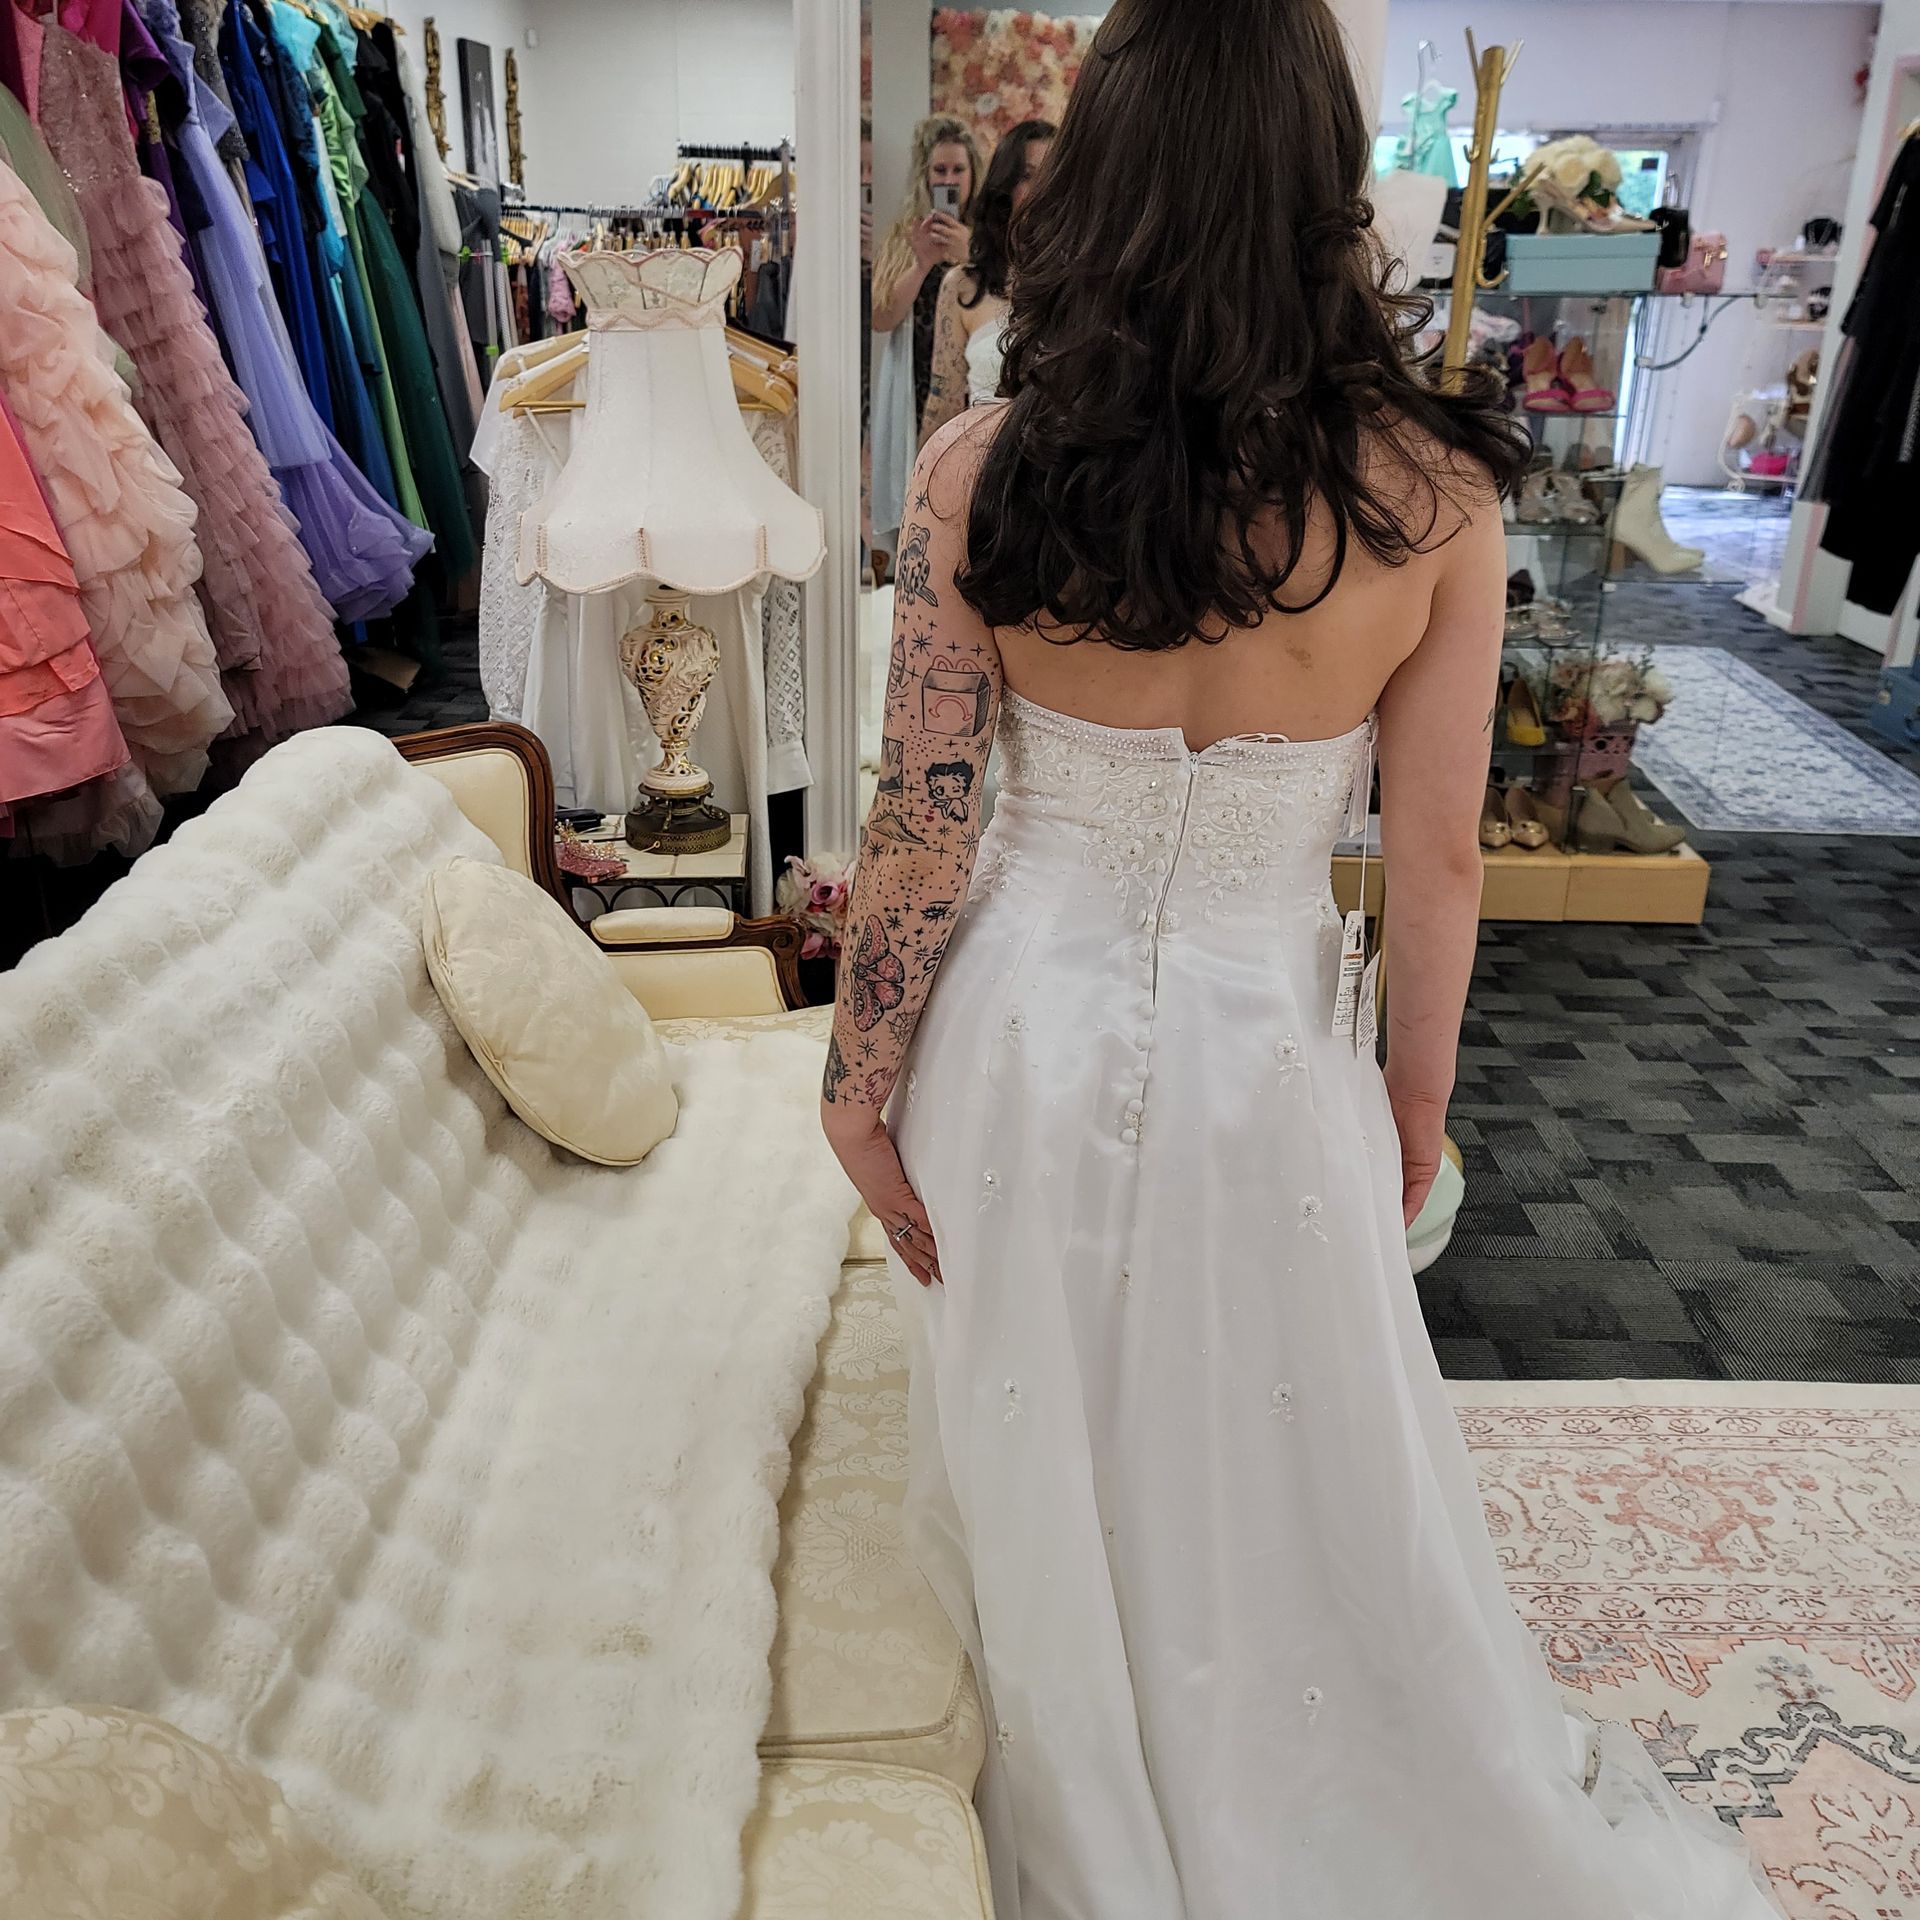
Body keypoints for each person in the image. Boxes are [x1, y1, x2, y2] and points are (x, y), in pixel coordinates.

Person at [820, 4, 1787, 1919]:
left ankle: (1081, 1784)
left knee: (1057, 1426)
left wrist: (855, 1092)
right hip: (1272, 1051)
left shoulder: (975, 471)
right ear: (1325, 186)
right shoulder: (1434, 496)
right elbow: (1433, 852)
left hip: (1014, 1030)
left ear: (1103, 172)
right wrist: (1411, 1097)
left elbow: (919, 824)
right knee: (1267, 1442)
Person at [869, 114, 981, 555]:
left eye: (958, 170)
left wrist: (969, 253)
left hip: (972, 387)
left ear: (975, 172)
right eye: (940, 171)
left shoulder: (989, 237)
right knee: (918, 496)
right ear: (926, 174)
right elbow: (881, 318)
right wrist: (921, 264)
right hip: (915, 387)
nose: (949, 179)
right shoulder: (904, 234)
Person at [920, 118, 1055, 446]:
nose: (1043, 188)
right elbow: (942, 409)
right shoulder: (963, 285)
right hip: (979, 470)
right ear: (1005, 188)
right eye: (1027, 176)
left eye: (1053, 173)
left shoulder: (1085, 281)